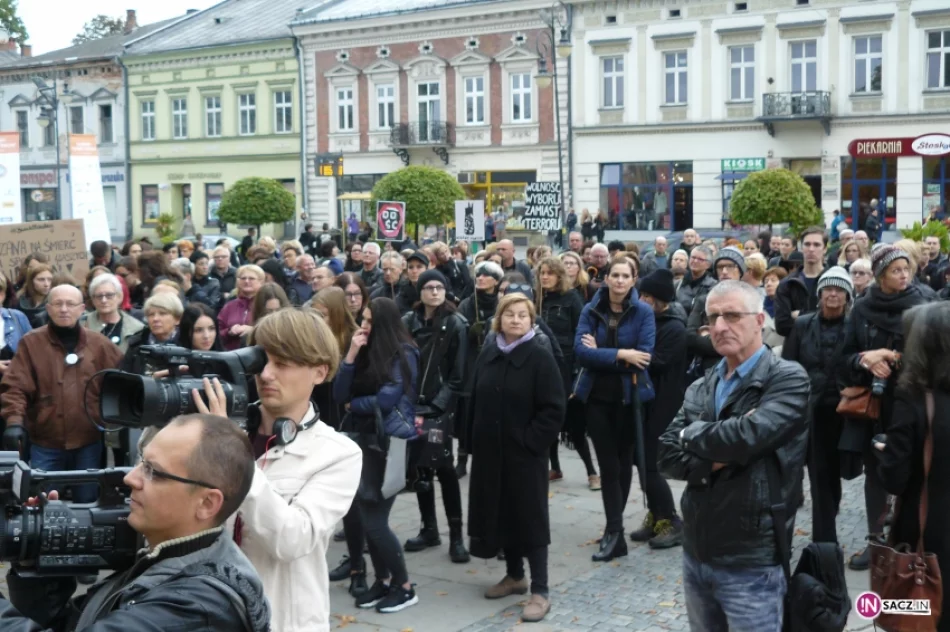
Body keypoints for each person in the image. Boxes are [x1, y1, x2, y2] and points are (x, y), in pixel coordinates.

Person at [0, 413, 270, 631]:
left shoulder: (200, 605)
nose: (131, 479)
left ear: (207, 503)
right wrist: (34, 558)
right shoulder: (163, 556)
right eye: (141, 462)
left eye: (153, 472)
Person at [193, 308, 362, 631]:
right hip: (206, 613)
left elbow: (291, 540)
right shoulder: (216, 429)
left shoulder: (338, 454)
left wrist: (231, 450)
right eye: (261, 362)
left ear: (319, 372)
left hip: (283, 619)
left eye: (282, 364)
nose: (266, 374)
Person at [657, 280, 810, 631]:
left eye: (731, 315)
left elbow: (749, 436)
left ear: (760, 320)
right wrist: (716, 455)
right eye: (713, 317)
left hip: (752, 556)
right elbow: (665, 453)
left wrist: (692, 435)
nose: (720, 326)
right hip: (697, 549)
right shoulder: (702, 384)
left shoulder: (786, 378)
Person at [467, 293, 565, 623]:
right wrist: (469, 440)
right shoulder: (489, 351)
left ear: (531, 320)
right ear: (500, 318)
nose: (516, 320)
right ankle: (514, 575)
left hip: (524, 455)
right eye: (510, 314)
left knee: (529, 518)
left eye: (523, 315)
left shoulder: (539, 356)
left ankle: (540, 589)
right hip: (490, 453)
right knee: (499, 513)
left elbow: (554, 408)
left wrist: (530, 442)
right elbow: (473, 396)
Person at [837, 245, 930, 571]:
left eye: (907, 269)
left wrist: (890, 357)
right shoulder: (862, 308)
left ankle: (910, 543)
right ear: (880, 275)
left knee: (915, 471)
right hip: (875, 405)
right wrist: (866, 359)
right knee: (875, 474)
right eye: (896, 270)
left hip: (915, 403)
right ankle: (876, 543)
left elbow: (934, 357)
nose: (904, 275)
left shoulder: (924, 302)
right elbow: (844, 358)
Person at [333, 298, 420, 613]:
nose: (363, 325)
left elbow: (388, 399)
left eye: (369, 320)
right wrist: (352, 355)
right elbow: (338, 393)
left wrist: (353, 406)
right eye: (362, 319)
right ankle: (383, 580)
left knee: (375, 520)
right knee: (369, 518)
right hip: (362, 440)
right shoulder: (365, 349)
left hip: (390, 442)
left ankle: (405, 586)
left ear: (383, 323)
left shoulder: (405, 352)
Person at [1, 285, 124, 502]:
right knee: (42, 503)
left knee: (88, 503)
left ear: (82, 309)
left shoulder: (99, 345)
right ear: (48, 308)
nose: (64, 309)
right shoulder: (31, 343)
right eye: (58, 304)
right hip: (45, 442)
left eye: (71, 304)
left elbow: (124, 380)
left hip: (88, 441)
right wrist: (14, 422)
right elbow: (16, 386)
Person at [573, 256, 656, 562]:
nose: (620, 281)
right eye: (615, 275)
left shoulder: (644, 312)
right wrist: (622, 354)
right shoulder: (591, 309)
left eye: (626, 276)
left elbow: (645, 356)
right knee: (608, 466)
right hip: (596, 398)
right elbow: (581, 352)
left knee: (623, 464)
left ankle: (614, 528)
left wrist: (603, 354)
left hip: (630, 398)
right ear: (606, 278)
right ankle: (615, 531)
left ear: (634, 280)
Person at [876, 302, 950, 632]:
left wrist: (885, 450)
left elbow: (894, 477)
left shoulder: (913, 399)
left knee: (917, 616)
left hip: (925, 534)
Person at [401, 269, 470, 563]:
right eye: (428, 287)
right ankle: (429, 528)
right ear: (420, 292)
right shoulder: (407, 321)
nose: (433, 292)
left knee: (444, 468)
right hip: (409, 405)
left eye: (438, 287)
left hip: (439, 406)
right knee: (420, 468)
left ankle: (456, 536)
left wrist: (439, 405)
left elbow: (458, 373)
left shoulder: (456, 323)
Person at [782, 267, 853, 543]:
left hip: (845, 412)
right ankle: (825, 539)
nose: (833, 294)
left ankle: (828, 518)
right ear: (820, 294)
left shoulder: (854, 325)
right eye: (828, 289)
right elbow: (788, 364)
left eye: (838, 290)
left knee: (835, 474)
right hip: (811, 412)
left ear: (847, 296)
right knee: (820, 474)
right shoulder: (802, 325)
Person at [630, 268, 687, 549]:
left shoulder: (674, 328)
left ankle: (672, 521)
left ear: (660, 299)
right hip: (644, 403)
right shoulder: (645, 321)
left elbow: (657, 361)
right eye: (641, 294)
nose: (641, 299)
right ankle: (656, 514)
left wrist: (630, 352)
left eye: (647, 295)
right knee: (640, 462)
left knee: (650, 465)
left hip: (664, 404)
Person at [535, 257, 589, 484]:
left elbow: (581, 331)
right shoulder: (537, 300)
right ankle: (555, 467)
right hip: (542, 362)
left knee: (573, 423)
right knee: (547, 416)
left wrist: (578, 368)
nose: (545, 277)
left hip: (566, 363)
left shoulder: (571, 298)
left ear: (559, 276)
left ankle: (592, 471)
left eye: (550, 273)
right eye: (542, 273)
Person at [455, 260, 504, 477]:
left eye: (485, 276)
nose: (480, 278)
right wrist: (469, 330)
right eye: (478, 275)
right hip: (470, 362)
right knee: (467, 412)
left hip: (494, 361)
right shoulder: (467, 303)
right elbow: (459, 328)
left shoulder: (501, 303)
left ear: (496, 281)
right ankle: (462, 459)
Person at [121, 294, 184, 375]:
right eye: (151, 314)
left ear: (177, 319)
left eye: (162, 313)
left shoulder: (187, 343)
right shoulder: (136, 345)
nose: (155, 319)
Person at [83, 273, 146, 353]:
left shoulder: (136, 328)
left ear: (120, 297)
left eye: (109, 295)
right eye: (99, 296)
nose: (104, 300)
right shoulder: (82, 324)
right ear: (93, 300)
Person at [218, 264, 264, 350]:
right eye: (243, 278)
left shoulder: (265, 304)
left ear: (261, 282)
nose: (246, 281)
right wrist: (230, 331)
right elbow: (217, 333)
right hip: (231, 355)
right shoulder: (229, 306)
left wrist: (253, 331)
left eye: (251, 278)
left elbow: (274, 333)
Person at [675, 246, 715, 315]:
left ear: (708, 265)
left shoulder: (713, 287)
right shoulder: (678, 285)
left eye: (700, 259)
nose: (695, 261)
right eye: (693, 257)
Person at [18, 263, 53, 327]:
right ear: (31, 281)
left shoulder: (54, 303)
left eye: (50, 279)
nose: (46, 284)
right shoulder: (18, 304)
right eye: (41, 280)